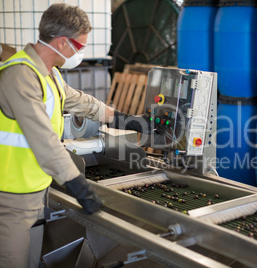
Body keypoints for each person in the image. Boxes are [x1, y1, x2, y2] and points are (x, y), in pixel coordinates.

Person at [0, 3, 149, 267]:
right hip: (9, 197)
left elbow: (82, 102)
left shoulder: (50, 75)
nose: (80, 53)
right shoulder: (19, 76)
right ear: (61, 42)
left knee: (32, 260)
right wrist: (78, 185)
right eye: (79, 47)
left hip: (35, 190)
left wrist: (125, 119)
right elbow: (43, 139)